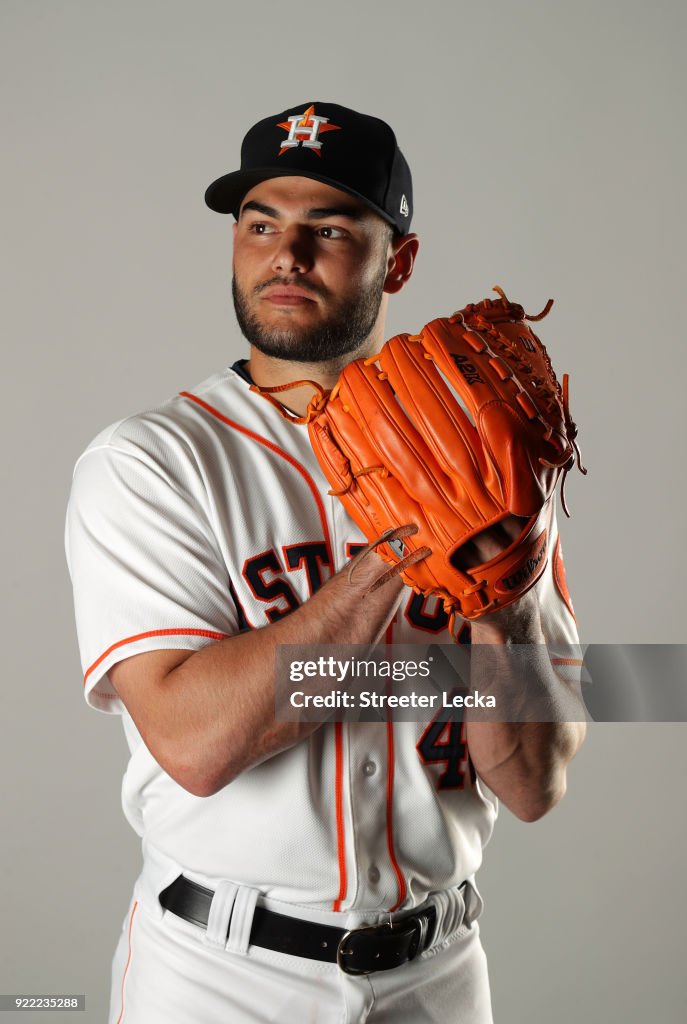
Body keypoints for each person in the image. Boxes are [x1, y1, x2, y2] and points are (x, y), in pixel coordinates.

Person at [65, 101, 586, 1024]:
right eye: (260, 223)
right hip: (222, 975)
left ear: (401, 260)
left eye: (330, 228)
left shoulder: (494, 460)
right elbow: (193, 742)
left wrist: (501, 599)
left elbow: (532, 781)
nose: (285, 256)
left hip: (440, 970)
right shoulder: (152, 463)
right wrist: (403, 541)